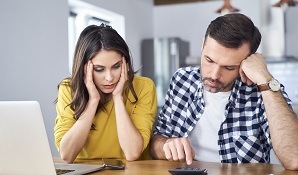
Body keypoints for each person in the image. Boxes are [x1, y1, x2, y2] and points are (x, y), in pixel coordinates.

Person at [150, 13, 298, 170]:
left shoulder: (263, 90)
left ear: (248, 62)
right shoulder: (182, 79)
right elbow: (156, 142)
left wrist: (265, 79)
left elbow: (294, 159)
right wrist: (166, 145)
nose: (214, 75)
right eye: (209, 60)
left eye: (229, 67)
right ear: (202, 45)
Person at [54, 24, 157, 163]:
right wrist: (93, 101)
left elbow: (133, 152)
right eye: (99, 69)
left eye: (116, 67)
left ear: (125, 63)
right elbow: (67, 154)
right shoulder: (69, 89)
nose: (109, 78)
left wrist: (118, 97)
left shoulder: (144, 87)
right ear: (84, 68)